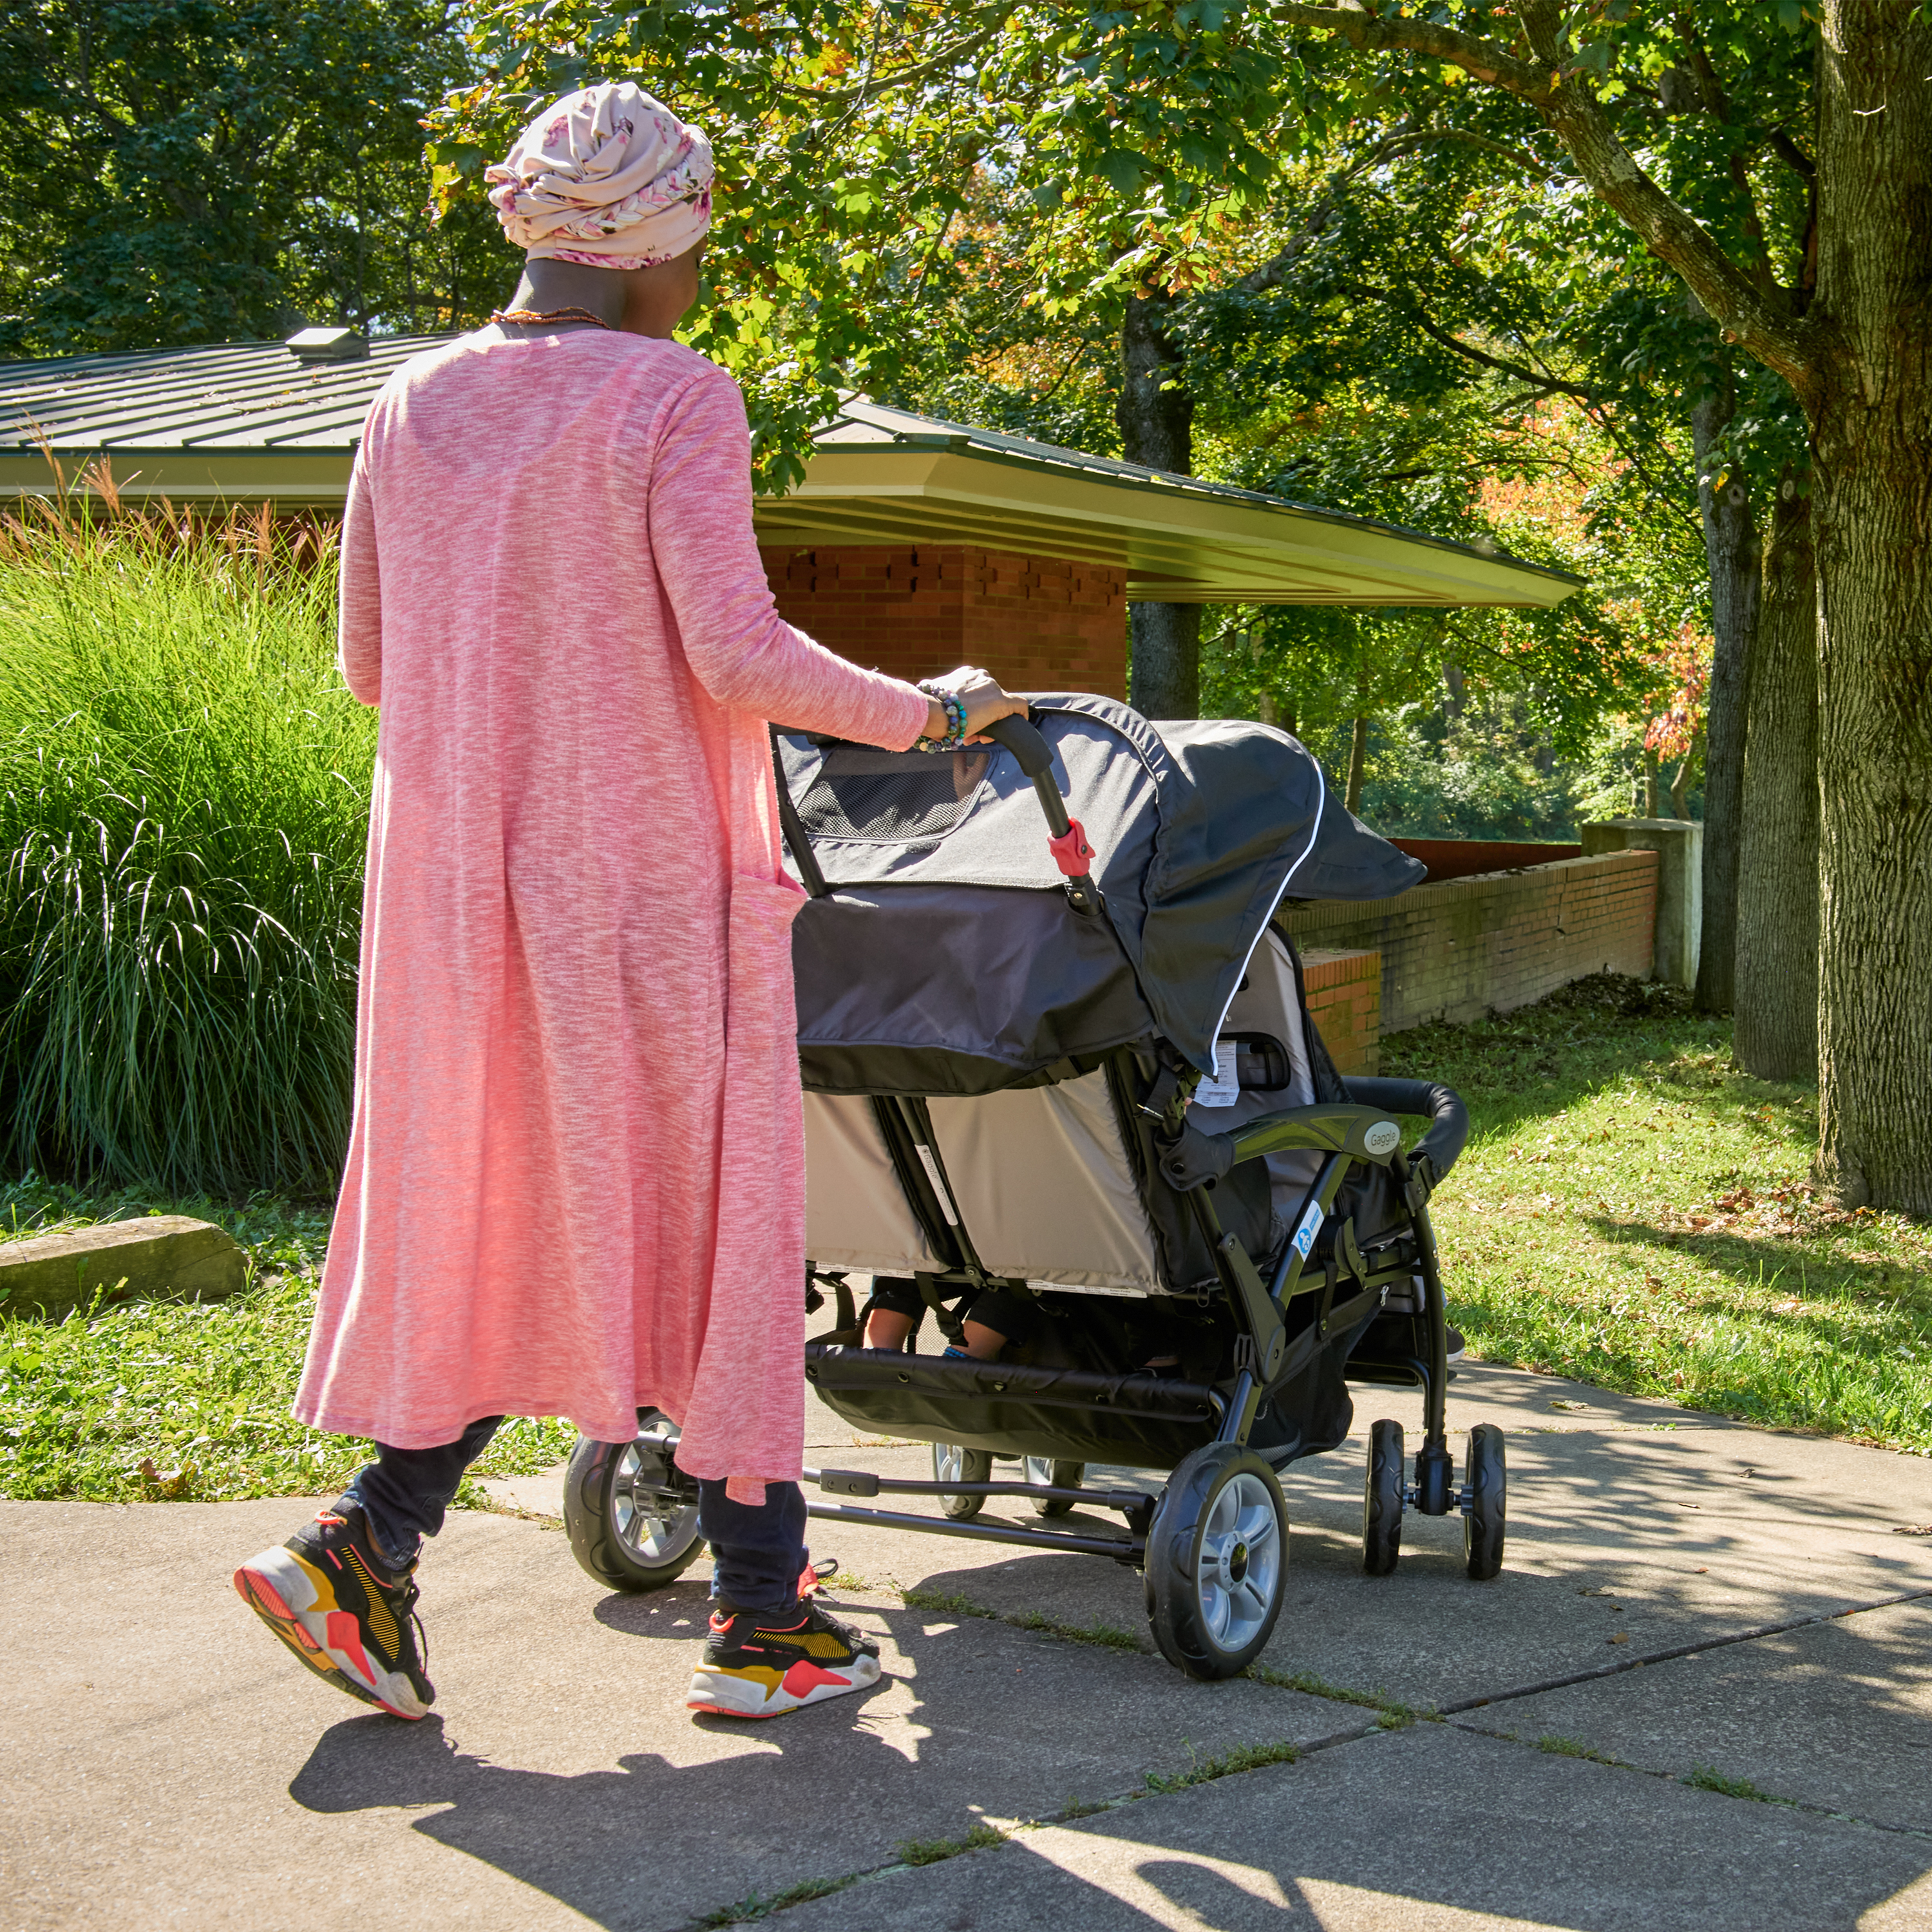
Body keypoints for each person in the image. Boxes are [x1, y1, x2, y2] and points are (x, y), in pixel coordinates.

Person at [232, 79, 1023, 1725]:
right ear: (655, 238)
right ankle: (763, 1623)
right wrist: (936, 713)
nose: (705, 271)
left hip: (449, 894)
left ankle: (369, 1552)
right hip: (641, 886)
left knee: (507, 1201)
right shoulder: (676, 398)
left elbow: (371, 664)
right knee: (716, 1224)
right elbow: (736, 654)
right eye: (702, 235)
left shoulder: (414, 401)